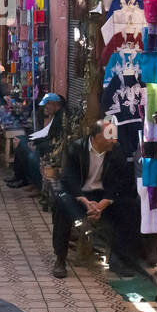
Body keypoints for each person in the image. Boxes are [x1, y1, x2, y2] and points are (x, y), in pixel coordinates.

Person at [51, 119, 146, 279]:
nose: (114, 140)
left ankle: (118, 259)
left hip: (102, 197)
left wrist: (104, 203)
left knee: (131, 208)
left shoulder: (116, 151)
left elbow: (120, 182)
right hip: (80, 196)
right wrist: (83, 200)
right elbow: (68, 178)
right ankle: (60, 259)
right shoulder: (77, 148)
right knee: (61, 205)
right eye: (109, 135)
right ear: (95, 137)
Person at [7, 93, 64, 191]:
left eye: (49, 104)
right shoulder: (48, 116)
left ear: (57, 105)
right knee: (20, 139)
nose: (46, 107)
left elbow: (53, 141)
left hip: (51, 149)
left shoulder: (60, 119)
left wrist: (36, 145)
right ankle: (21, 177)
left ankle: (35, 185)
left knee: (30, 155)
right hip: (43, 143)